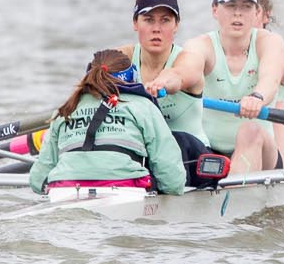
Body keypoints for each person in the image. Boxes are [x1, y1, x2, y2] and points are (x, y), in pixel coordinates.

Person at [147, 0, 284, 175]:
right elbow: (182, 71)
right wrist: (162, 83)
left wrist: (257, 97)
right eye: (230, 6)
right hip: (210, 152)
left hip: (263, 153)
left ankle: (235, 199)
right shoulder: (200, 45)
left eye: (246, 7)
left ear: (257, 12)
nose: (237, 14)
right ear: (215, 10)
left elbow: (270, 78)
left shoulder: (270, 42)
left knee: (250, 131)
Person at [29, 49, 188, 198]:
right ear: (131, 76)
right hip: (126, 191)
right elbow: (173, 180)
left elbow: (37, 180)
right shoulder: (143, 107)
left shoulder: (65, 110)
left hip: (64, 191)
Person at [124, 0, 206, 152]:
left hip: (190, 155)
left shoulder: (190, 59)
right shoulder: (122, 57)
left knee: (175, 141)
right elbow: (92, 80)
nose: (156, 28)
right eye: (148, 20)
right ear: (135, 23)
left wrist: (160, 84)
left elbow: (177, 75)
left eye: (165, 20)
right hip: (143, 153)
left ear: (176, 25)